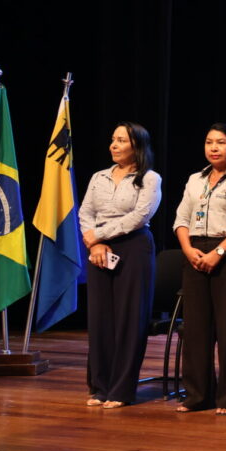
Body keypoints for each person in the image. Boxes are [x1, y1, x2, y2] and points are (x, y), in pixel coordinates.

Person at [172, 124, 226, 414]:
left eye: (221, 143)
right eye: (209, 142)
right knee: (195, 329)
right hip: (195, 252)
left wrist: (218, 253)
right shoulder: (195, 179)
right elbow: (181, 219)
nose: (213, 148)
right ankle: (198, 396)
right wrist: (188, 250)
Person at [81, 122, 161, 408]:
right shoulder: (99, 177)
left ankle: (121, 391)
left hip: (134, 247)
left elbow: (139, 216)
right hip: (98, 249)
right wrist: (95, 244)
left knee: (129, 320)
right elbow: (85, 212)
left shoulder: (149, 178)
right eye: (113, 139)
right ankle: (99, 387)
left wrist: (100, 235)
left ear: (136, 145)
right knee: (100, 318)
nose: (114, 145)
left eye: (121, 140)